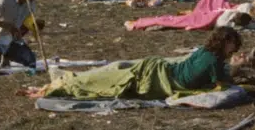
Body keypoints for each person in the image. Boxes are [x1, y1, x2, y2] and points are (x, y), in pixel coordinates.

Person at [35, 26, 240, 99]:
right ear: (225, 42)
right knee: (111, 81)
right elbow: (221, 85)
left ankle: (67, 80)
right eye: (233, 47)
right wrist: (239, 74)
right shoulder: (214, 61)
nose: (235, 51)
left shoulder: (205, 51)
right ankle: (67, 82)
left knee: (113, 73)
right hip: (158, 76)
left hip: (158, 67)